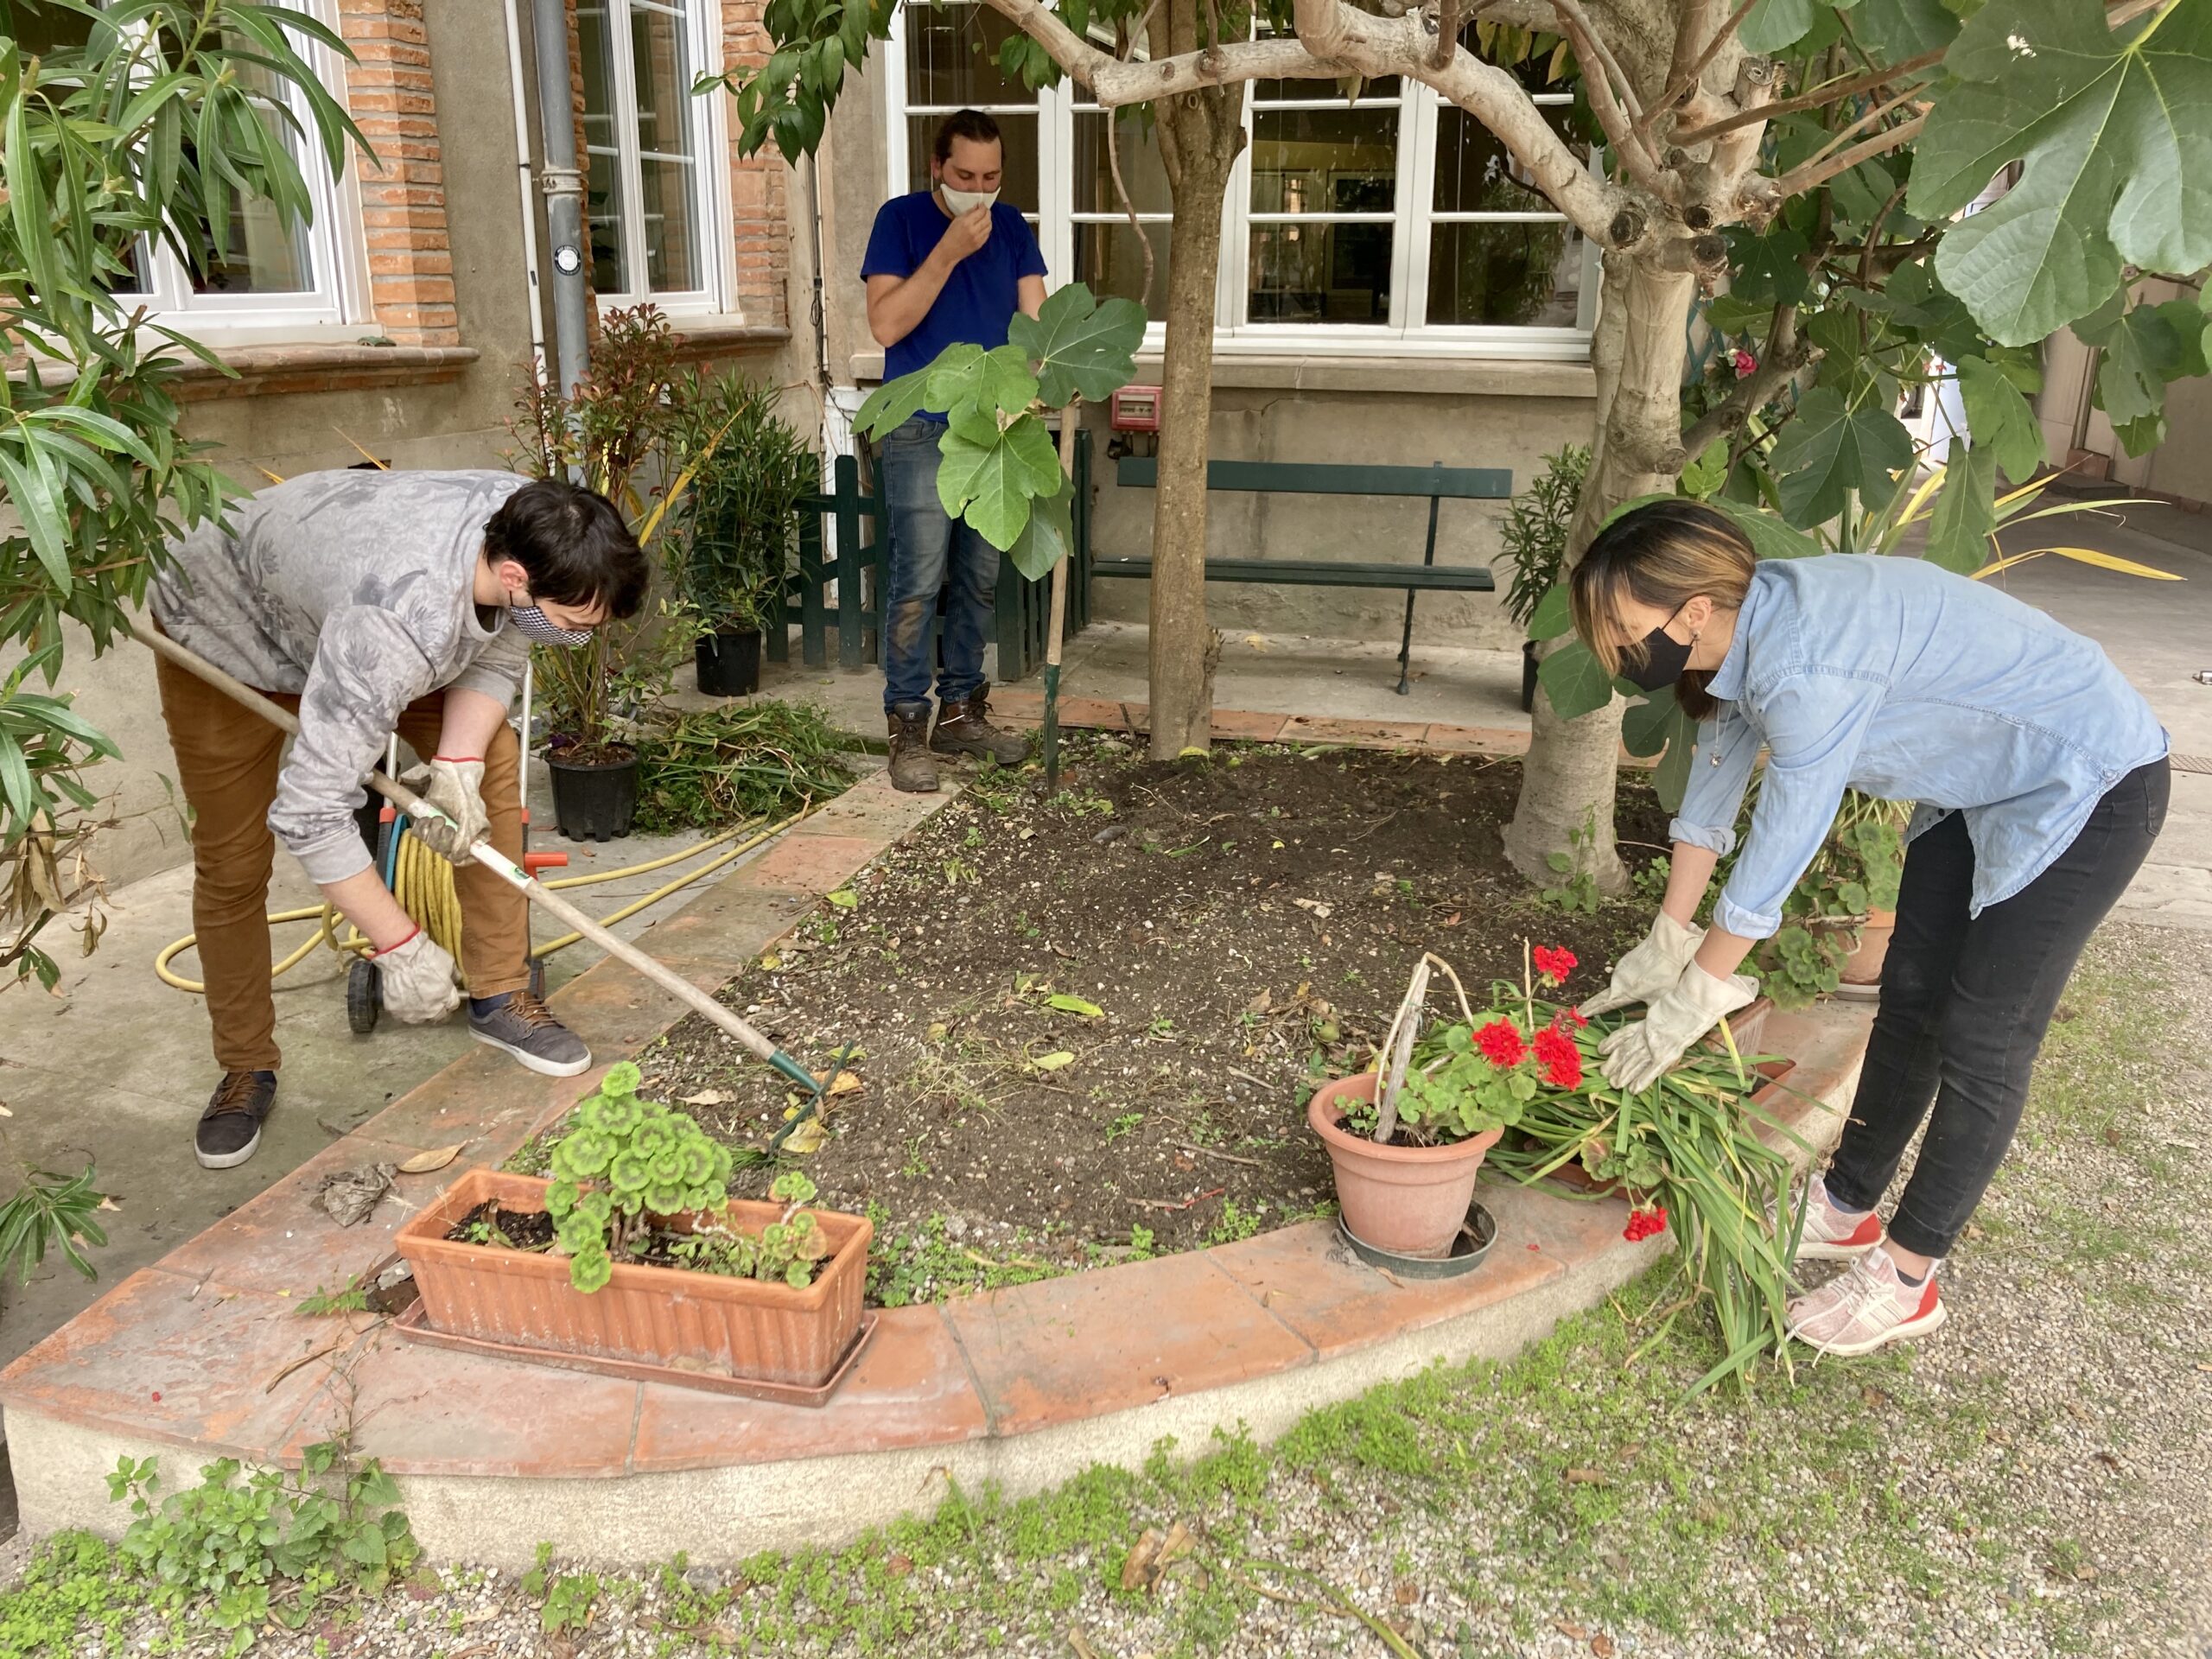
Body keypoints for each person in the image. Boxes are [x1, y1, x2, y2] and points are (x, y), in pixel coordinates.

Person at [1570, 501, 2169, 1356]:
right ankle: (1847, 1205)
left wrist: (1699, 989)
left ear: (1693, 610)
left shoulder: (1806, 664)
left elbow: (1782, 839)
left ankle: (1906, 1277)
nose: (1623, 652)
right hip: (1977, 786)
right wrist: (1668, 936)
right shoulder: (1743, 631)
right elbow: (1711, 787)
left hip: (2086, 778)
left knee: (1983, 1036)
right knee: (1911, 999)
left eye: (1628, 630)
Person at [151, 470, 650, 1169]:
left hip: (338, 606)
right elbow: (309, 814)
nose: (573, 640)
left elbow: (503, 641)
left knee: (494, 760)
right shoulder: (393, 621)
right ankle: (245, 1064)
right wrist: (400, 946)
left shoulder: (533, 522)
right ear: (513, 574)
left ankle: (500, 995)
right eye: (571, 628)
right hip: (224, 628)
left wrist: (457, 766)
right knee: (233, 860)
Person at [862, 108, 1046, 791]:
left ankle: (963, 710)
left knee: (980, 578)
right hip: (916, 427)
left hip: (993, 427)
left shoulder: (1014, 227)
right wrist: (946, 252)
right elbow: (886, 324)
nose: (980, 188)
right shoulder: (901, 220)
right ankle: (908, 723)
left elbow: (1036, 323)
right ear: (938, 166)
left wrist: (1030, 387)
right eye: (965, 175)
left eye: (992, 176)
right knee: (917, 579)